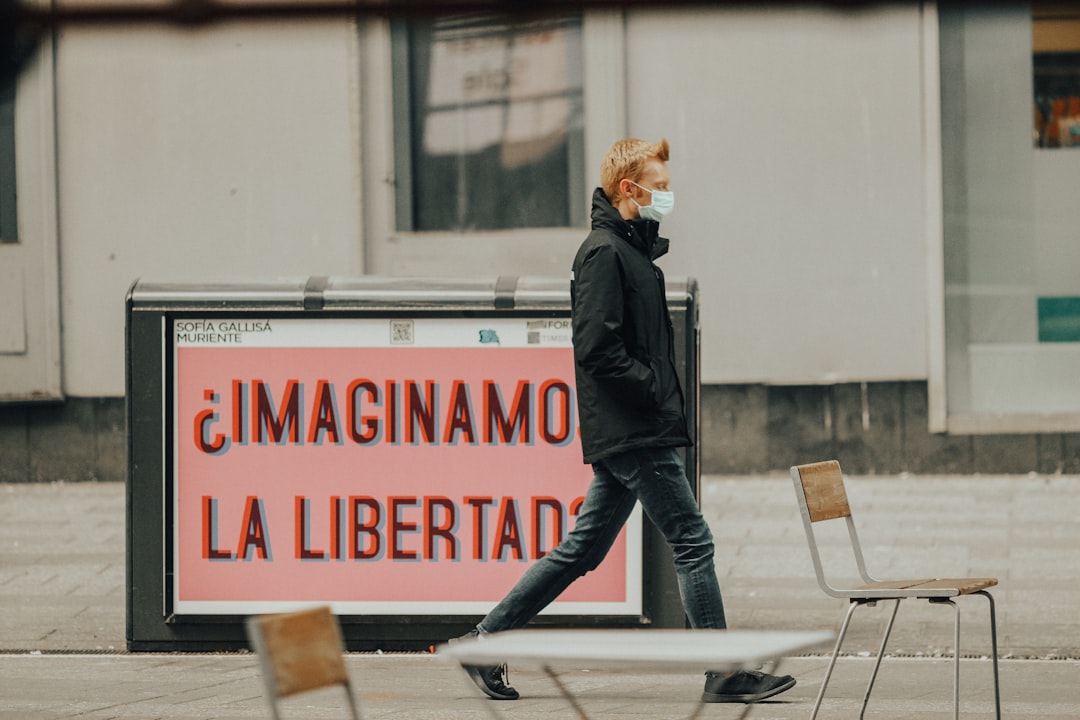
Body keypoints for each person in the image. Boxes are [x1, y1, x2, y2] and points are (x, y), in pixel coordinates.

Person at [453, 138, 795, 704]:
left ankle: (483, 642)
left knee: (582, 551)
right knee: (692, 539)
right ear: (629, 190)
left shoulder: (629, 251)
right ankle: (724, 671)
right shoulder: (604, 253)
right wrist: (652, 389)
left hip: (632, 426)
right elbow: (595, 349)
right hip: (634, 427)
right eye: (659, 187)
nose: (667, 196)